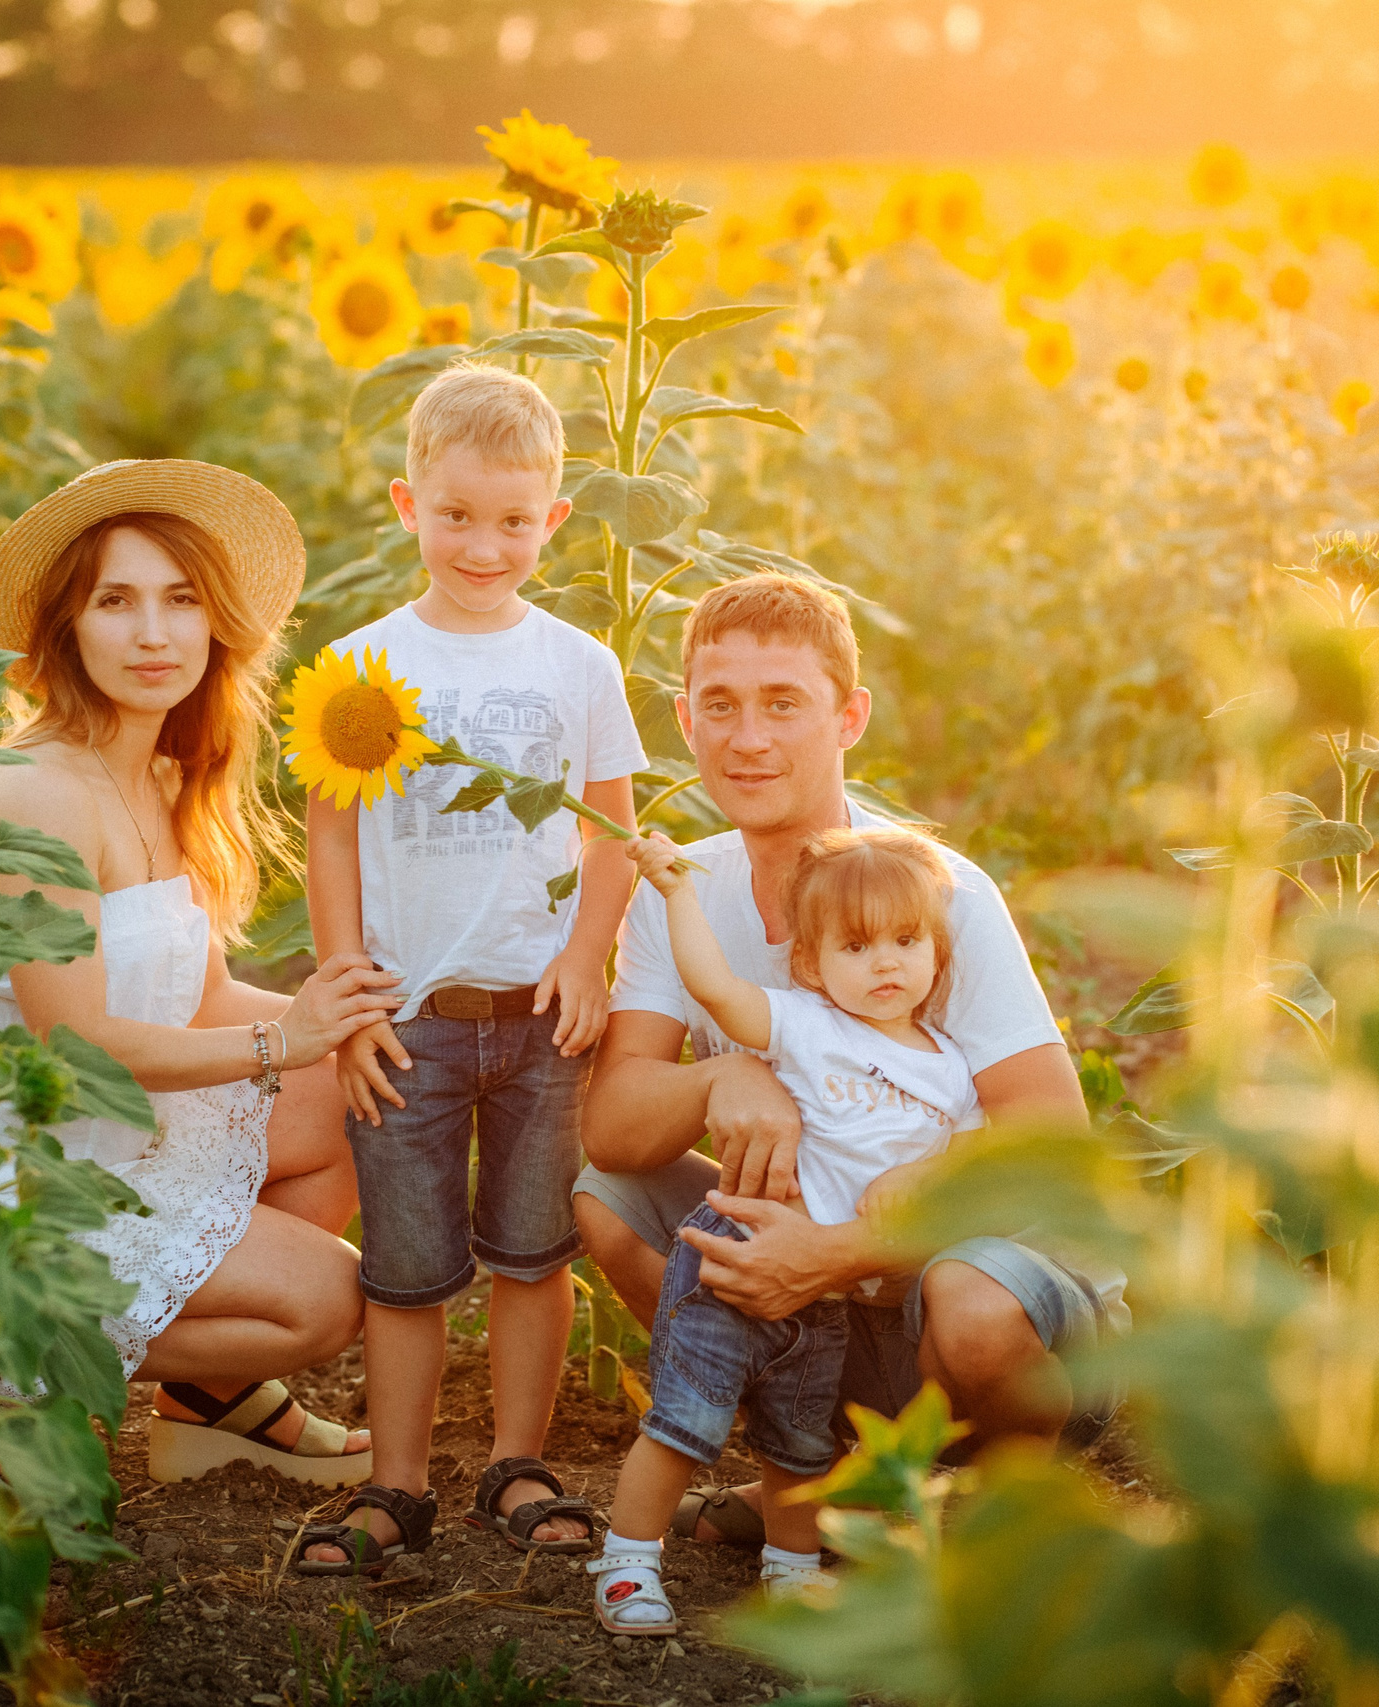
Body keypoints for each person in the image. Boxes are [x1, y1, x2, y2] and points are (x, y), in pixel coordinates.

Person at [573, 573, 1124, 1552]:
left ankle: (1007, 1513)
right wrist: (720, 1076)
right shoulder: (679, 892)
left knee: (974, 1305)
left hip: (986, 1309)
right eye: (721, 705)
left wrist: (829, 1258)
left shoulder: (926, 892)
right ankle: (815, 1472)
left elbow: (1050, 1145)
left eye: (783, 703)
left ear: (848, 717)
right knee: (608, 1200)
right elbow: (615, 1125)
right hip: (832, 1309)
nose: (748, 738)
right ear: (685, 720)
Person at [0, 459, 402, 1487]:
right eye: (117, 602)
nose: (153, 633)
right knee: (327, 1299)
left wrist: (336, 1026)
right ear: (67, 628)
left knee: (355, 1085)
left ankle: (208, 1396)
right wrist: (277, 1044)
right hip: (23, 1172)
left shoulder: (154, 775)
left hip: (114, 1126)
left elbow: (192, 998)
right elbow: (70, 1051)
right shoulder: (39, 793)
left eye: (180, 600)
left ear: (215, 625)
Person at [293, 363, 648, 1575]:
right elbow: (332, 830)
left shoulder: (578, 665)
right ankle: (396, 1483)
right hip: (410, 1015)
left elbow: (611, 828)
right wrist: (344, 989)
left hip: (541, 1014)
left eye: (511, 521)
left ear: (552, 520)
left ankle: (515, 1459)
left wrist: (588, 959)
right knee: (404, 1269)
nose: (482, 545)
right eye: (455, 515)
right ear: (407, 506)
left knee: (531, 1252)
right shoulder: (359, 664)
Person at [587, 826, 979, 1633]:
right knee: (684, 1421)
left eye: (907, 941)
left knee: (798, 1444)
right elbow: (716, 985)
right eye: (858, 944)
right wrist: (678, 892)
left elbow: (977, 1151)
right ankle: (627, 1560)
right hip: (734, 1260)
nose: (885, 963)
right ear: (811, 963)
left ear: (938, 952)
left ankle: (793, 1573)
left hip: (822, 1290)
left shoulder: (949, 1068)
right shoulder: (804, 1021)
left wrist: (924, 1175)